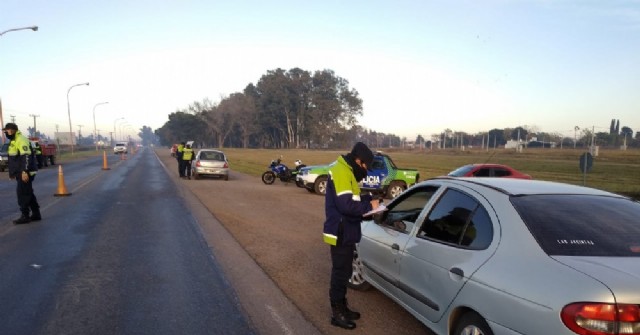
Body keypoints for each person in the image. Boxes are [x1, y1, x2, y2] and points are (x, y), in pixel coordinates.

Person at [323, 142, 379, 330]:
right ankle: (336, 313)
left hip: (347, 230)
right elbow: (345, 205)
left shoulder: (347, 171)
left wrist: (367, 199)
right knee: (340, 274)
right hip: (340, 231)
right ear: (358, 160)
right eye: (365, 166)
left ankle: (343, 307)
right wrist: (369, 207)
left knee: (345, 271)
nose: (365, 171)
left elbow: (352, 199)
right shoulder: (341, 171)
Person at [3, 123, 41, 224]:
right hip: (20, 172)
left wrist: (24, 171)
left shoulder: (21, 139)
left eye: (7, 130)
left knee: (22, 194)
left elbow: (26, 156)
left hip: (25, 172)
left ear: (12, 130)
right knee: (28, 193)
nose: (6, 132)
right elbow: (14, 160)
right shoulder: (14, 140)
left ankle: (25, 216)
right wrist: (13, 173)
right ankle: (36, 214)